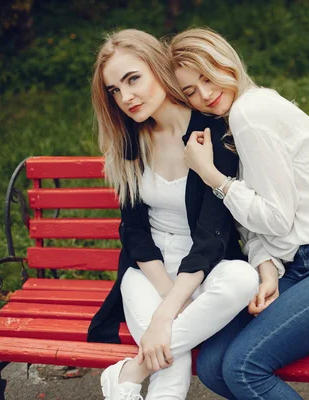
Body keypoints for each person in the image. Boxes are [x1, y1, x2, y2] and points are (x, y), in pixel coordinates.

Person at [170, 28, 309, 400]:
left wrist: (210, 175)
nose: (206, 93)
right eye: (191, 91)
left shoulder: (252, 112)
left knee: (243, 368)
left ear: (226, 61)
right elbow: (257, 226)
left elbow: (275, 218)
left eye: (207, 76)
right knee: (213, 366)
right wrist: (266, 272)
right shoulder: (236, 122)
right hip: (304, 264)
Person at [86, 29, 259, 400]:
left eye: (133, 79)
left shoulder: (212, 132)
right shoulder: (129, 141)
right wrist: (170, 303)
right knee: (172, 360)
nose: (126, 97)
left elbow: (214, 234)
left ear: (157, 68)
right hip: (147, 273)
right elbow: (133, 233)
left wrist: (168, 315)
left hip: (206, 267)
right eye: (115, 90)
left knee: (243, 278)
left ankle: (129, 373)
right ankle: (134, 374)